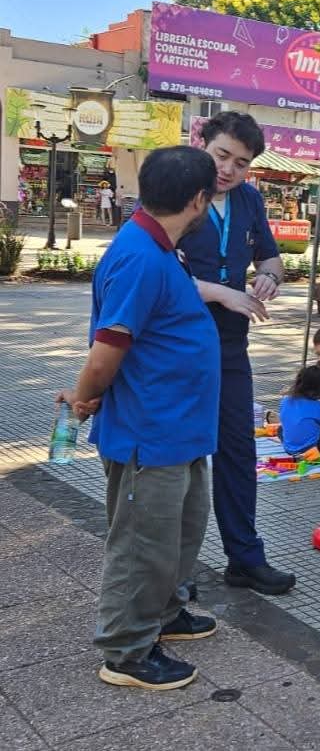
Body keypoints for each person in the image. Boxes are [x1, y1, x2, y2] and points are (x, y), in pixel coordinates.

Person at [56, 146, 221, 691]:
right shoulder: (139, 256)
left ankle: (165, 612)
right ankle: (126, 649)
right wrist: (83, 398)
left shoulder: (159, 247)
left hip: (181, 430)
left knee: (180, 531)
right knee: (141, 543)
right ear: (197, 200)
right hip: (149, 433)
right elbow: (106, 353)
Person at [178, 111, 295, 596]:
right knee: (179, 458)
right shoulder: (176, 191)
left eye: (241, 163)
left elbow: (271, 255)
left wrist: (270, 273)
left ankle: (245, 558)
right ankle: (171, 578)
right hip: (178, 345)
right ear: (203, 143)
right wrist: (221, 293)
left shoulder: (248, 199)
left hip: (229, 348)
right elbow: (157, 272)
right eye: (222, 155)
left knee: (237, 451)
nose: (228, 169)